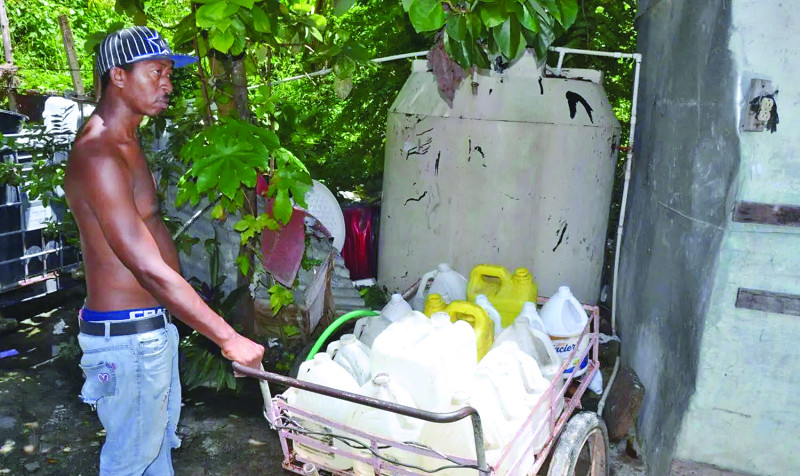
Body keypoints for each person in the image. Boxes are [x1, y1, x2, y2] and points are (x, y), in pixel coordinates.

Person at [64, 26, 265, 475]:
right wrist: (228, 338)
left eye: (170, 74)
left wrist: (185, 314)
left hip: (148, 333)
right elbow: (145, 267)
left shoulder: (128, 142)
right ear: (117, 76)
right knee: (129, 463)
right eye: (156, 72)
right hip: (127, 340)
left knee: (154, 458)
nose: (168, 84)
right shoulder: (98, 153)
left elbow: (151, 232)